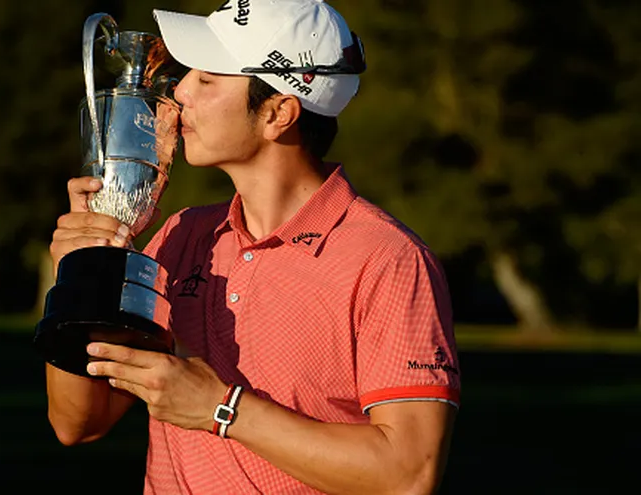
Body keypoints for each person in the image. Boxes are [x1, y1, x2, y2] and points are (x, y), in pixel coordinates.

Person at [46, 1, 461, 493]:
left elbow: (409, 474)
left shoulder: (387, 260)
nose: (180, 92)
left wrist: (221, 409)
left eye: (208, 79)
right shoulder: (182, 237)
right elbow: (79, 423)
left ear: (278, 112)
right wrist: (85, 269)